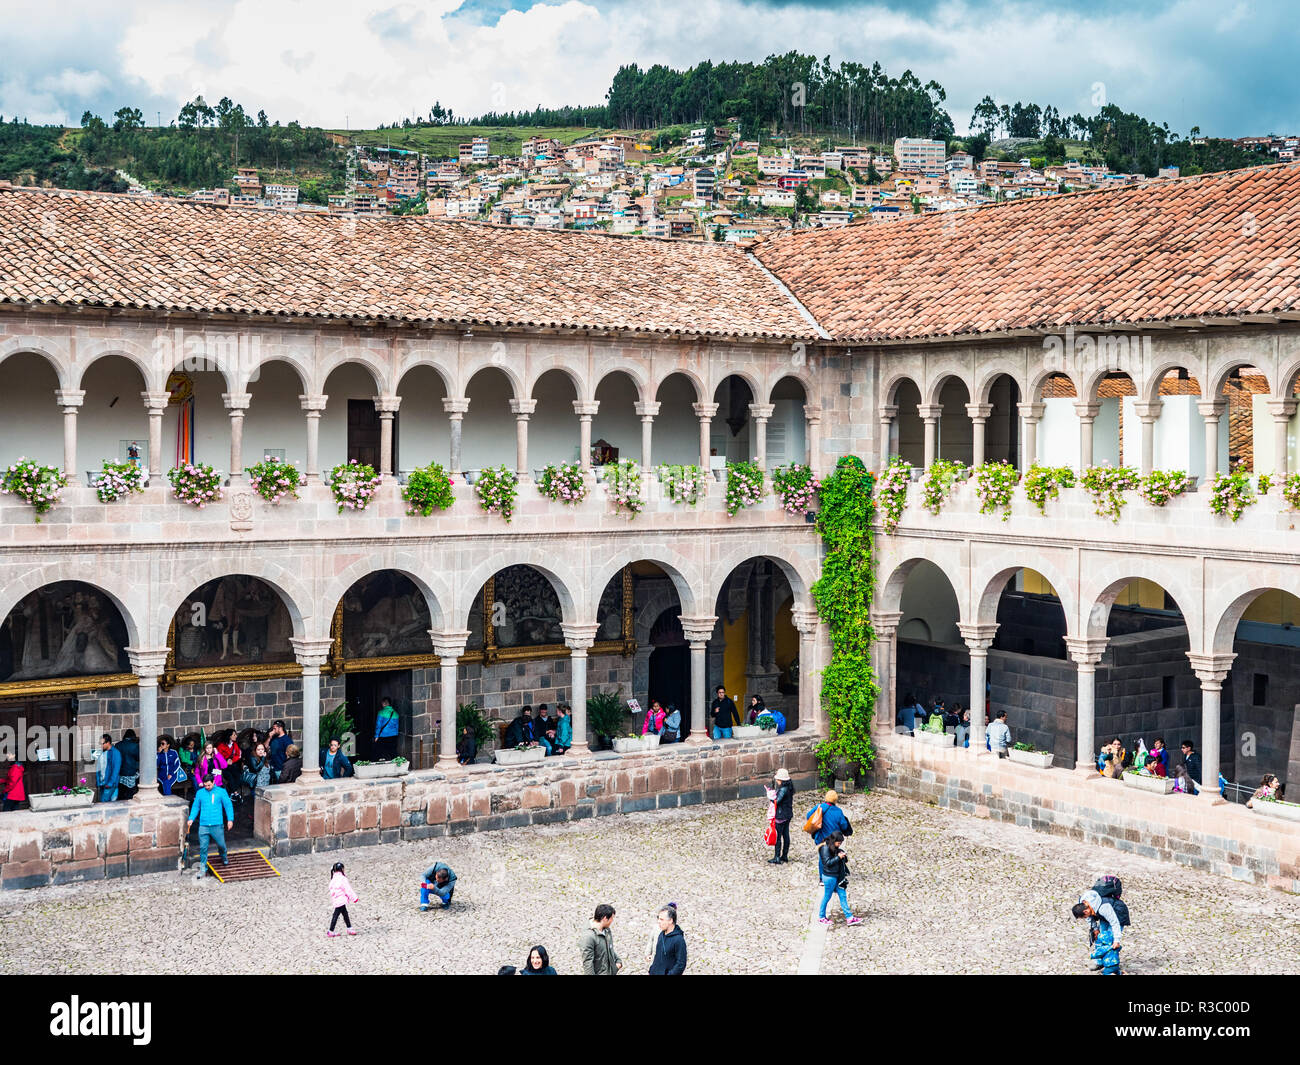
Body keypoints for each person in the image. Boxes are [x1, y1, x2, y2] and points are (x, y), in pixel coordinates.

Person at [186, 775, 233, 874]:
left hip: (217, 824)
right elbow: (196, 807)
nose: (207, 787)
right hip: (204, 825)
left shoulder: (221, 792)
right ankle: (203, 866)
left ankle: (223, 856)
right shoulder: (200, 793)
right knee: (203, 847)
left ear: (213, 782)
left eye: (209, 785)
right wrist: (191, 818)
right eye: (205, 785)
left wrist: (230, 819)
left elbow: (228, 806)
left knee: (221, 845)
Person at [817, 830, 862, 926]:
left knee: (843, 895)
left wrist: (843, 856)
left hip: (838, 876)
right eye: (839, 842)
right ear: (834, 841)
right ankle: (821, 916)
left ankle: (849, 917)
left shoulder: (835, 848)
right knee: (827, 896)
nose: (839, 844)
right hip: (829, 877)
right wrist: (838, 857)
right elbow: (827, 863)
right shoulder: (824, 849)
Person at [1073, 890, 1123, 974]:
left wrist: (1116, 940)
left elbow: (1115, 922)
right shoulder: (1083, 902)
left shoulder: (1103, 908)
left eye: (1084, 917)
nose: (1086, 918)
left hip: (1118, 915)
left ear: (1085, 912)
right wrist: (1095, 929)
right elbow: (1089, 918)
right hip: (1103, 916)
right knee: (1100, 937)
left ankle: (1112, 965)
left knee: (1110, 940)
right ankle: (1100, 962)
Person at [579, 904, 623, 975]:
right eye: (612, 918)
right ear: (605, 918)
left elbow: (609, 948)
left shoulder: (606, 930)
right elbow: (588, 963)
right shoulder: (588, 937)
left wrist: (618, 961)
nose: (612, 920)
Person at [647, 903, 687, 975]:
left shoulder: (679, 940)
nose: (658, 921)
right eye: (658, 918)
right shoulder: (661, 935)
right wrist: (651, 970)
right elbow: (658, 957)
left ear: (670, 920)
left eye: (662, 919)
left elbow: (681, 964)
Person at [766, 767, 794, 864]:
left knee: (778, 837)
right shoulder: (790, 788)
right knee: (786, 835)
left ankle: (777, 857)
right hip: (788, 815)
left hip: (781, 816)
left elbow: (776, 801)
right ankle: (784, 855)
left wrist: (770, 796)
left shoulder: (783, 790)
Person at [327, 861, 359, 937]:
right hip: (341, 899)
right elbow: (348, 889)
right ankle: (331, 930)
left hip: (336, 899)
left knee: (345, 913)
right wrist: (354, 898)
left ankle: (349, 927)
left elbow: (331, 888)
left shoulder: (333, 879)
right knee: (336, 914)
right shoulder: (342, 879)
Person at [115, 729, 140, 800]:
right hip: (131, 773)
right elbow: (138, 758)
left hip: (121, 773)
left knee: (121, 793)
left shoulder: (118, 745)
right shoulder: (135, 746)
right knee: (130, 793)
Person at [96, 733, 122, 803]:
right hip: (102, 783)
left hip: (109, 784)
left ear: (108, 743)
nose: (101, 745)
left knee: (104, 803)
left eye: (102, 743)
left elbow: (116, 770)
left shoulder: (115, 753)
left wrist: (110, 783)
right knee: (105, 802)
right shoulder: (101, 752)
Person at [373, 697, 400, 761]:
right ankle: (397, 766)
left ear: (384, 703)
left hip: (383, 736)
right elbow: (396, 726)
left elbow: (378, 725)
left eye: (382, 703)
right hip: (393, 736)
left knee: (377, 752)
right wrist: (395, 735)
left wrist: (376, 736)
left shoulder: (381, 712)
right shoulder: (396, 713)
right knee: (393, 752)